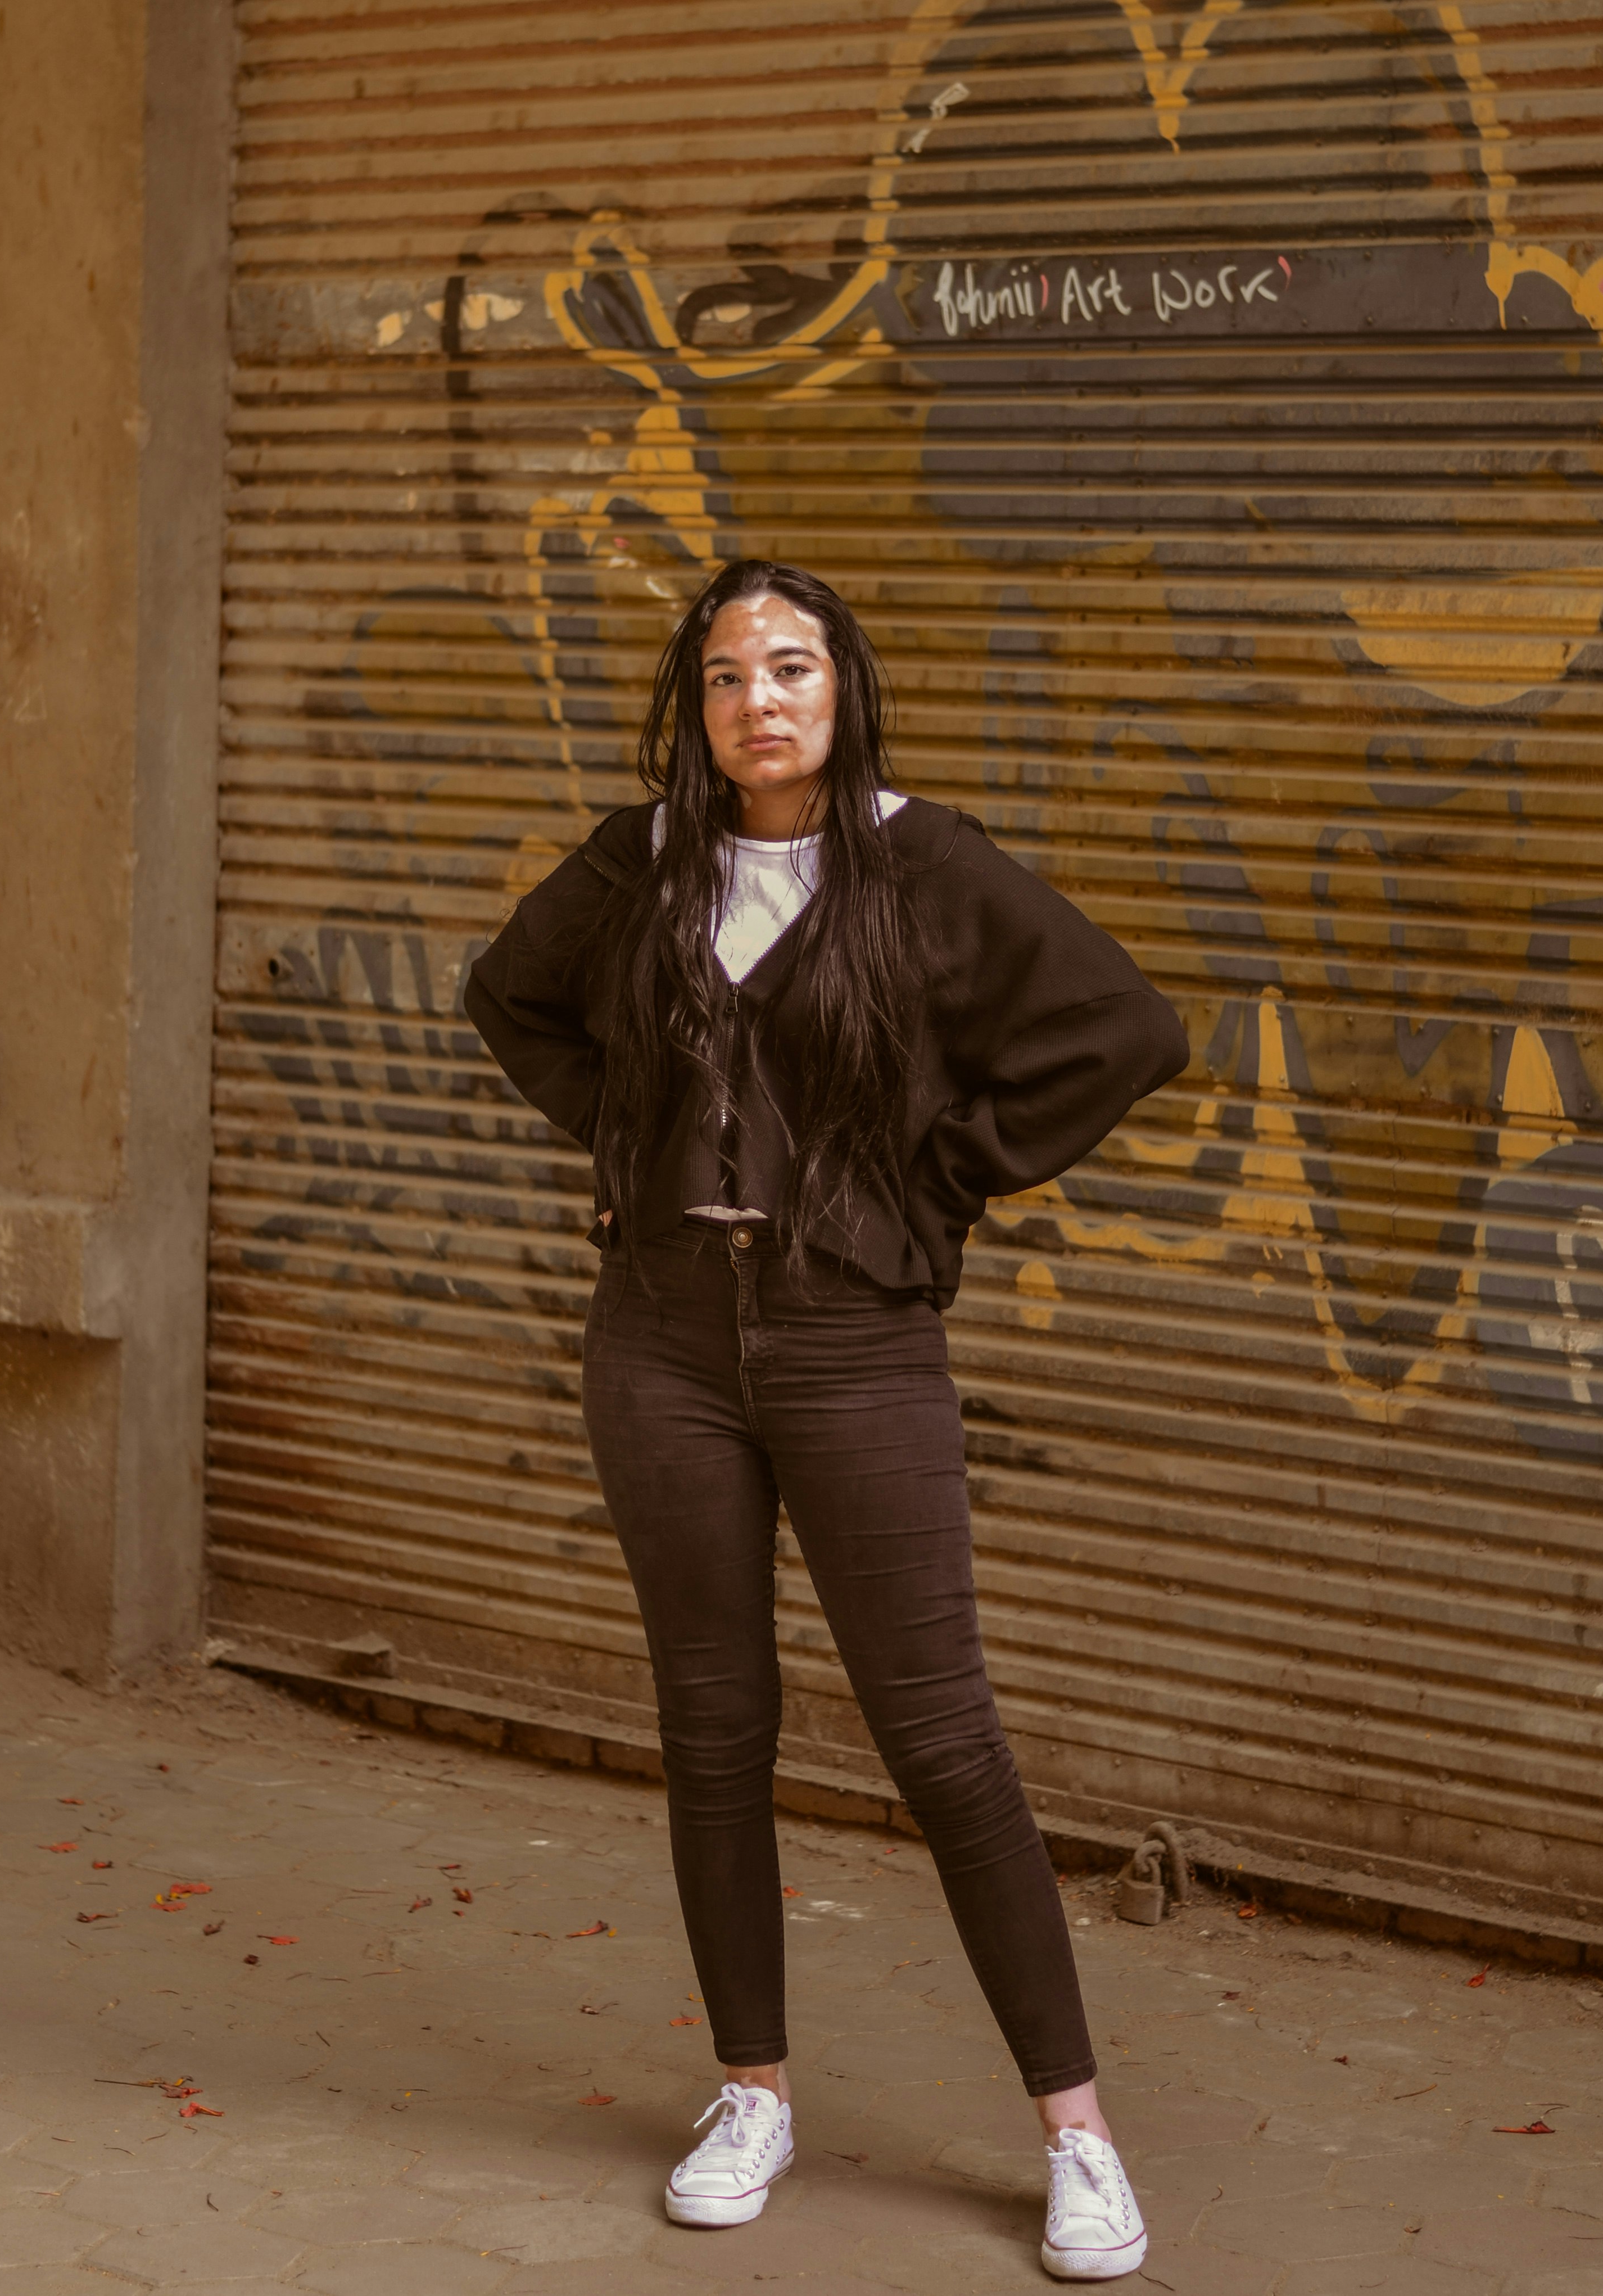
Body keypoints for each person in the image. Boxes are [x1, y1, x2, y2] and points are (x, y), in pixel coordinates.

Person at [466, 559, 1188, 2280]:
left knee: (941, 1739)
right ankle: (752, 2093)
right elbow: (509, 1000)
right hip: (658, 1345)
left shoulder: (920, 863)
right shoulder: (642, 861)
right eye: (724, 675)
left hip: (852, 1344)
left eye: (789, 665)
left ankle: (1078, 2138)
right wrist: (631, 1142)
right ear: (694, 707)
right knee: (714, 1727)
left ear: (841, 685)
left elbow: (1123, 1028)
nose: (757, 699)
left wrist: (926, 1179)